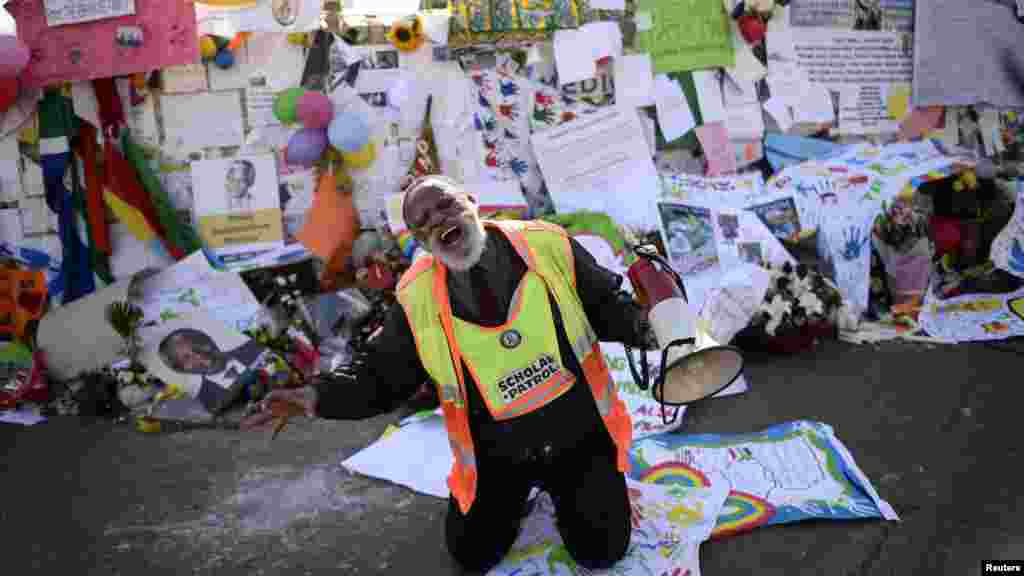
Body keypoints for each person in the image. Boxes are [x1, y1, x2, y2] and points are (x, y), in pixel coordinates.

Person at [245, 175, 657, 573]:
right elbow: (382, 375)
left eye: (445, 205)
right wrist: (315, 397)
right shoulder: (416, 295)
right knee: (470, 555)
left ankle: (588, 487)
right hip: (498, 456)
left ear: (473, 203)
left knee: (602, 553)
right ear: (422, 243)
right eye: (423, 222)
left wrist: (649, 325)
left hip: (578, 438)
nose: (437, 220)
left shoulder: (547, 243)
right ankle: (523, 495)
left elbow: (604, 305)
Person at [159, 328, 267, 413]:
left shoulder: (250, 348)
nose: (199, 356)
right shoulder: (207, 397)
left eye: (197, 346)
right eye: (186, 358)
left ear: (209, 340)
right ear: (181, 369)